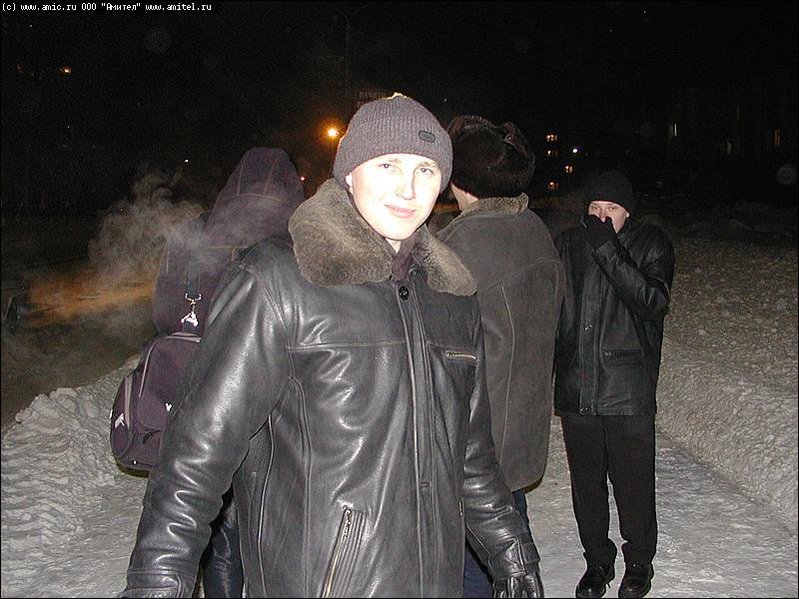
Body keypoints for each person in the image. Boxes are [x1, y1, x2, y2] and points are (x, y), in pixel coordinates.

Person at [121, 93, 543, 598]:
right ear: (350, 173)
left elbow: (470, 454)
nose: (408, 188)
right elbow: (196, 454)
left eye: (426, 169)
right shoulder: (279, 280)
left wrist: (513, 553)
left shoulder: (451, 296)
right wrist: (157, 582)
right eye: (388, 164)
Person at [436, 116, 565, 597]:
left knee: (472, 561)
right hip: (521, 425)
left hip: (476, 438)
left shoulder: (459, 246)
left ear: (458, 180)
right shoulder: (533, 228)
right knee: (510, 534)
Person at [553, 170, 674, 599]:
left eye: (612, 209)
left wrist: (607, 248)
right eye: (594, 208)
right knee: (587, 485)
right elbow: (550, 307)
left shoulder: (651, 244)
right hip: (578, 385)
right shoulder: (568, 244)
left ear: (628, 213)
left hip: (627, 389)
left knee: (633, 484)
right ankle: (597, 561)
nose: (601, 217)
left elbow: (652, 301)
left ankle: (639, 561)